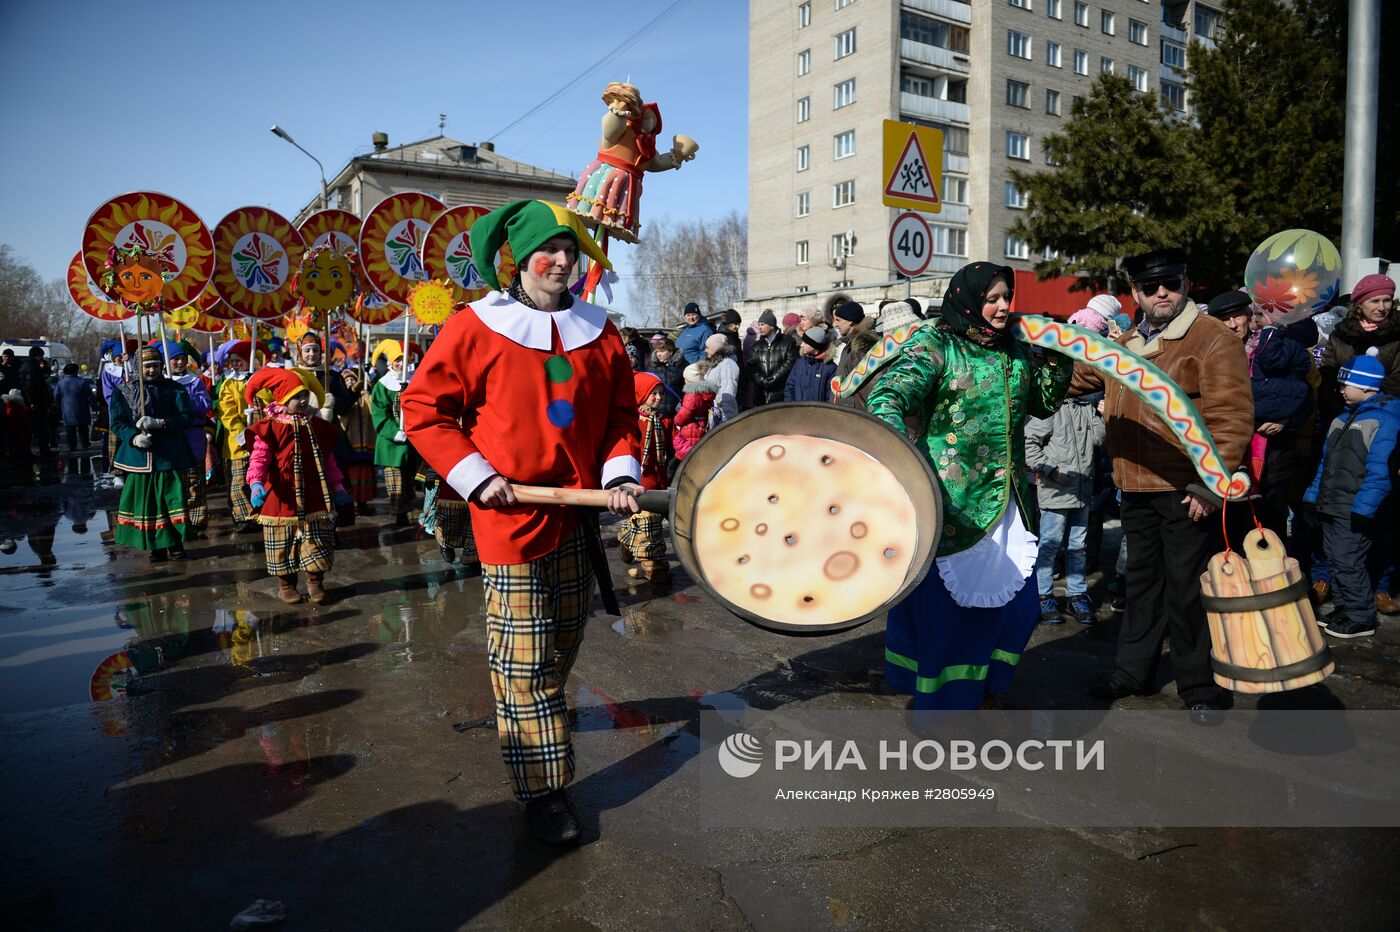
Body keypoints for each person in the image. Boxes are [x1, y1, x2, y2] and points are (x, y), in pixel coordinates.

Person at [401, 199, 642, 845]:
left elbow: (622, 414)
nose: (562, 262)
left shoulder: (602, 330)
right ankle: (543, 790)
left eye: (570, 250)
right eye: (548, 250)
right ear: (516, 258)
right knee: (528, 664)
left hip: (579, 522)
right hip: (509, 524)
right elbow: (423, 411)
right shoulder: (474, 328)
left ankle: (527, 723)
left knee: (559, 652)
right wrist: (480, 477)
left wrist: (619, 473)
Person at [852, 262, 1072, 710]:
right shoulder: (936, 343)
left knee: (1019, 605)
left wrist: (1055, 354)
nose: (1002, 307)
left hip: (1009, 500)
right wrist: (902, 459)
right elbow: (887, 395)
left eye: (1006, 297)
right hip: (953, 502)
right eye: (991, 299)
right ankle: (942, 703)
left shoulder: (1013, 349)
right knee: (949, 612)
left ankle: (985, 685)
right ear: (968, 299)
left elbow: (1044, 403)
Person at [1071, 248, 1253, 725]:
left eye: (1170, 283)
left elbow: (1231, 419)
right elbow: (1077, 378)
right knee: (1140, 587)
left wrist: (1210, 485)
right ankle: (1133, 674)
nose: (1161, 293)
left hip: (1185, 488)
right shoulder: (1127, 342)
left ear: (1185, 284)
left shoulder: (1212, 339)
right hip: (1133, 486)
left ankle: (1199, 686)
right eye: (1150, 287)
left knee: (1186, 590)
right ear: (1135, 292)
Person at [1303, 348, 1399, 639]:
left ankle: (1361, 615)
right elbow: (1325, 464)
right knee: (1335, 560)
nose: (1340, 389)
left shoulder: (1385, 421)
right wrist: (1311, 498)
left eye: (1345, 385)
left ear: (1367, 386)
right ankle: (1345, 608)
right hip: (1331, 504)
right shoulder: (1339, 420)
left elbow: (1380, 472)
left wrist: (1364, 508)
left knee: (1348, 561)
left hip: (1355, 509)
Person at [1207, 290, 1315, 544]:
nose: (1233, 325)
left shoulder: (1273, 347)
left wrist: (1287, 420)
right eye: (1225, 320)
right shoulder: (1211, 353)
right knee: (1230, 515)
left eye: (1237, 317)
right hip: (1227, 445)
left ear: (1248, 317)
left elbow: (1305, 393)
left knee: (1268, 516)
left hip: (1273, 448)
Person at [244, 367, 352, 605]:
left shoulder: (317, 425)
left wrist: (339, 488)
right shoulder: (269, 427)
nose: (303, 401)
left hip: (315, 493)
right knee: (282, 543)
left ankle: (315, 581)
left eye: (304, 395)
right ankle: (286, 585)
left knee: (317, 540)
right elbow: (259, 459)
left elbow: (329, 460)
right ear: (282, 399)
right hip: (281, 495)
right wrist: (256, 484)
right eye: (296, 397)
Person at [1025, 314, 1106, 626]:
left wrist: (1103, 416)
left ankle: (1076, 594)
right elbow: (1029, 442)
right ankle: (1044, 596)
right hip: (1057, 491)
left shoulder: (1086, 408)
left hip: (1083, 489)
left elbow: (1099, 441)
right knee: (1048, 547)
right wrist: (1049, 470)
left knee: (1077, 548)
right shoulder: (1051, 408)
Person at [109, 346, 194, 563]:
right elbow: (117, 423)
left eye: (156, 365)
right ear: (138, 367)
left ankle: (175, 543)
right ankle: (155, 547)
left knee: (171, 500)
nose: (152, 370)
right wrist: (133, 437)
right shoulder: (124, 391)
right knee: (147, 504)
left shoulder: (174, 389)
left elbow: (185, 417)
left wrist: (161, 423)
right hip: (140, 456)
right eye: (146, 366)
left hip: (169, 455)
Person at [617, 372, 672, 584]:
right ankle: (652, 565)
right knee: (649, 521)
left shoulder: (662, 420)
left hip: (658, 479)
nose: (658, 398)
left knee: (647, 521)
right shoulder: (632, 421)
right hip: (640, 479)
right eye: (653, 394)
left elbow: (669, 449)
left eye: (660, 393)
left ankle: (627, 540)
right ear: (640, 394)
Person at [159, 342, 213, 535]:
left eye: (183, 358)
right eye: (176, 359)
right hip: (172, 438)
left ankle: (197, 519)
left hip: (192, 436)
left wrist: (184, 402)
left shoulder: (195, 381)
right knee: (176, 482)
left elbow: (205, 403)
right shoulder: (162, 382)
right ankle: (178, 519)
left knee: (195, 479)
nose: (180, 362)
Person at [370, 339, 420, 525]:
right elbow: (379, 414)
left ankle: (411, 507)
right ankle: (399, 515)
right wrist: (395, 432)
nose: (401, 363)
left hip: (414, 441)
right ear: (391, 362)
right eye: (397, 359)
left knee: (410, 480)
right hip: (392, 443)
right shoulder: (382, 385)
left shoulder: (417, 380)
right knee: (395, 481)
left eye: (404, 358)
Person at [214, 342, 257, 531]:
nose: (235, 366)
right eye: (232, 362)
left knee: (257, 479)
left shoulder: (260, 380)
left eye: (239, 361)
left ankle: (259, 513)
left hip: (260, 439)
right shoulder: (228, 384)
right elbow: (227, 412)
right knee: (238, 481)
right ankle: (242, 516)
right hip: (236, 442)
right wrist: (242, 435)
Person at [336, 367, 378, 513]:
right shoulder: (343, 399)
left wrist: (368, 391)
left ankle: (363, 503)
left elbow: (374, 409)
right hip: (349, 443)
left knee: (364, 474)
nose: (349, 382)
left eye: (352, 379)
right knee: (349, 476)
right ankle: (351, 504)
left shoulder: (366, 396)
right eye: (346, 380)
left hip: (365, 442)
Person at [745, 310, 798, 406]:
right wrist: (762, 380)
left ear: (772, 326)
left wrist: (773, 378)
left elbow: (790, 363)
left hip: (780, 394)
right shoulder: (756, 346)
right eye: (759, 325)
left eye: (762, 324)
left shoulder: (788, 342)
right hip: (760, 395)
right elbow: (751, 367)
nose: (759, 328)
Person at [672, 360, 715, 461]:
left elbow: (684, 414)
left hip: (690, 429)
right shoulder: (706, 392)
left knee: (685, 459)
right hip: (701, 426)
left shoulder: (692, 394)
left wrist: (676, 420)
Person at [783, 325, 837, 402]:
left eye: (806, 343)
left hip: (818, 412)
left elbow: (830, 396)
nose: (801, 345)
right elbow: (790, 387)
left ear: (815, 346)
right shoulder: (799, 363)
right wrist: (791, 407)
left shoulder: (830, 368)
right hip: (797, 411)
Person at [53, 363, 94, 453]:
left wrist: (59, 404)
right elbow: (90, 396)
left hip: (67, 409)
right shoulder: (82, 382)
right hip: (82, 408)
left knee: (70, 428)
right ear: (76, 371)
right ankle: (85, 443)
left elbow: (56, 396)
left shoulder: (61, 383)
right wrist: (94, 407)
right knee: (83, 428)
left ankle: (72, 446)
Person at [644, 337, 685, 419]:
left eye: (662, 351)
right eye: (657, 351)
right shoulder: (652, 367)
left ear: (671, 352)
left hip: (676, 412)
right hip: (656, 412)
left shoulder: (682, 366)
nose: (658, 354)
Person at [704, 333, 740, 423]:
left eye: (708, 347)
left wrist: (726, 416)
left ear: (716, 348)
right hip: (714, 411)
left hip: (724, 414)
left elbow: (728, 389)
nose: (705, 350)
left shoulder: (727, 364)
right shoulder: (714, 363)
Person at [829, 301, 868, 368]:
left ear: (850, 321)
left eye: (838, 320)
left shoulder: (861, 346)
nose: (834, 324)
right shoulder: (849, 344)